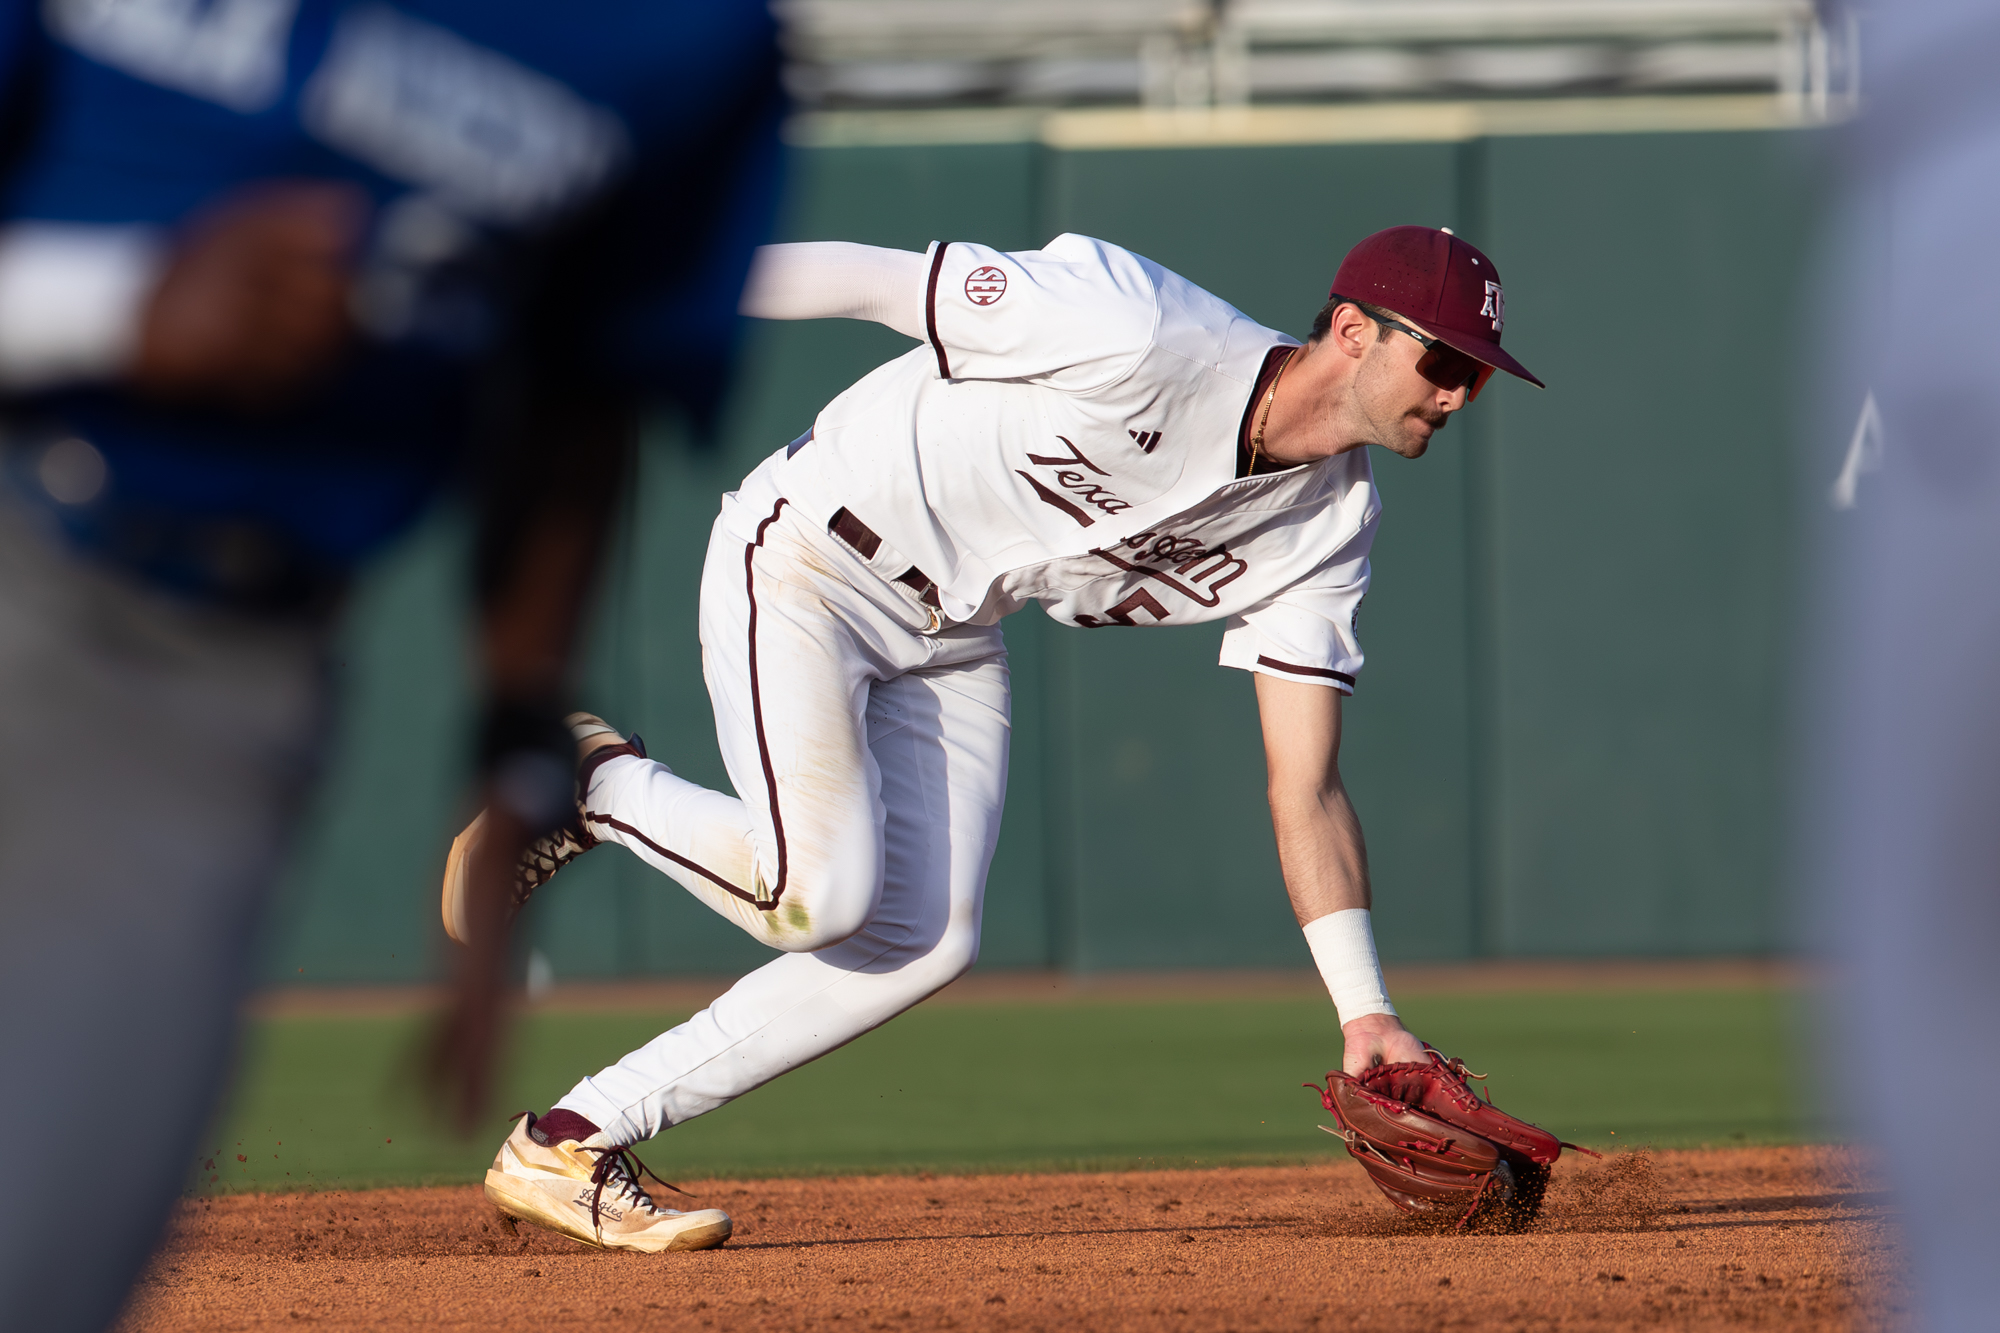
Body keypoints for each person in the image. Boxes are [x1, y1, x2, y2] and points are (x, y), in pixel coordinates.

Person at [444, 225, 1544, 1252]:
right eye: (1440, 359)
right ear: (1351, 330)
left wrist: (1368, 1016)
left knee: (924, 940)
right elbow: (876, 283)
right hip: (812, 556)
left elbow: (1303, 784)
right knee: (812, 895)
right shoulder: (1137, 324)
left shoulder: (1328, 524)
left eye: (1475, 371)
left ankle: (570, 1139)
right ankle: (596, 785)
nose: (1455, 392)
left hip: (952, 628)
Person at [0, 3, 781, 1329]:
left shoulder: (682, 44)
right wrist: (118, 305)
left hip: (210, 691)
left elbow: (581, 402)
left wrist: (523, 742)